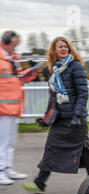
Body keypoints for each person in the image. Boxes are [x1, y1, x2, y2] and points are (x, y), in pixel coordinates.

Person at [23, 37, 89, 193]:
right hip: (60, 120)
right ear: (54, 51)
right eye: (60, 47)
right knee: (51, 149)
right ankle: (39, 184)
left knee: (82, 151)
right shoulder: (55, 70)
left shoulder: (76, 66)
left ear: (69, 49)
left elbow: (83, 94)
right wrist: (46, 119)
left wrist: (77, 116)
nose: (63, 49)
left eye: (66, 47)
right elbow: (53, 99)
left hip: (75, 120)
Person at [0, 31, 38, 185]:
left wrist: (32, 71)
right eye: (14, 44)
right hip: (3, 106)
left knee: (10, 140)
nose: (15, 48)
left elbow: (19, 77)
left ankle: (7, 168)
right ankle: (0, 171)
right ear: (6, 42)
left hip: (14, 106)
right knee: (2, 140)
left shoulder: (13, 59)